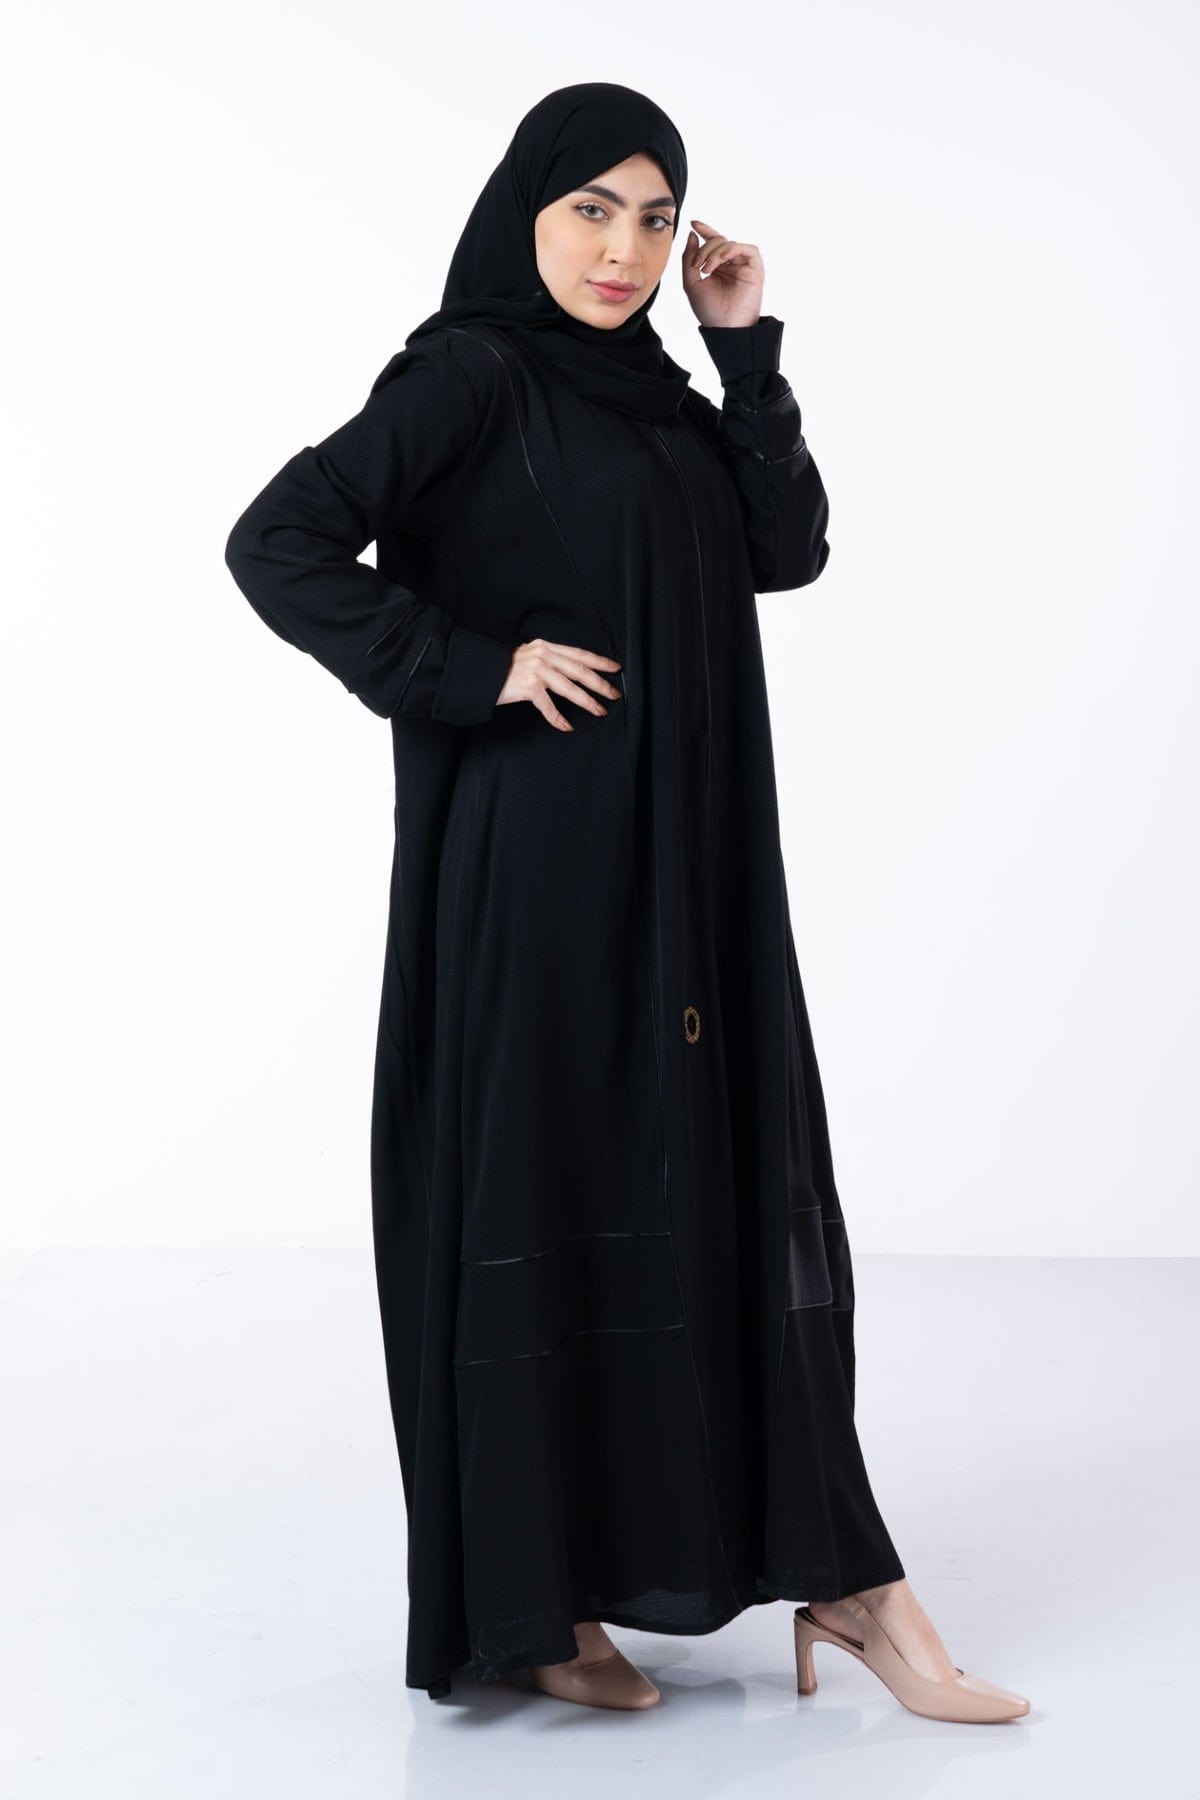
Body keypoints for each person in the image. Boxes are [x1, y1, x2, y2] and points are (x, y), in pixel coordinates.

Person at [224, 81, 1031, 1725]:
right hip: (540, 867)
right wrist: (472, 665)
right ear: (523, 209)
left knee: (715, 1170)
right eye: (593, 208)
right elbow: (277, 540)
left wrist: (741, 350)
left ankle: (838, 1578)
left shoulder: (660, 391)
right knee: (558, 1176)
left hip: (692, 859)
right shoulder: (469, 374)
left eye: (656, 219)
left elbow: (786, 548)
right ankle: (543, 1602)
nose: (627, 249)